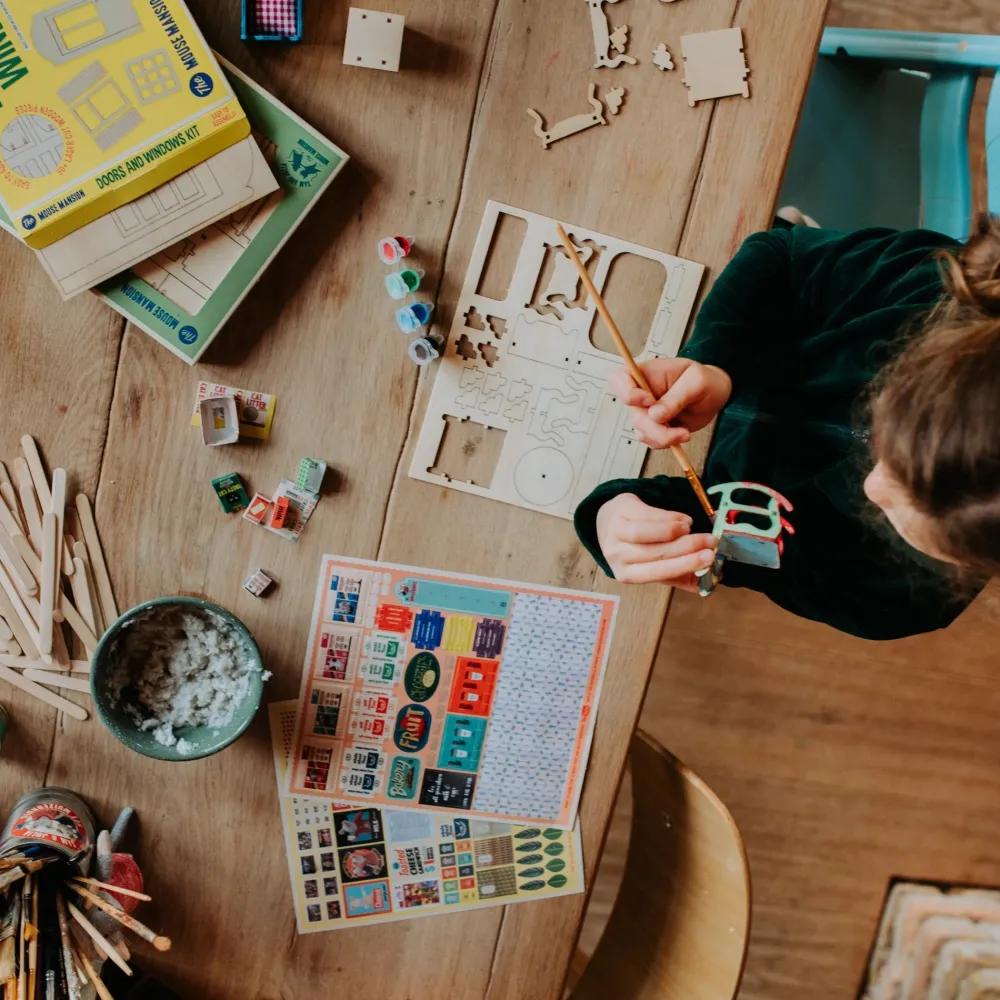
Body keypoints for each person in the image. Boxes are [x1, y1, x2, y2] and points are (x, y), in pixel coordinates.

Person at [573, 215, 1000, 640]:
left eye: (908, 520)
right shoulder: (945, 297)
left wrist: (613, 521)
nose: (872, 491)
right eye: (886, 429)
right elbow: (779, 255)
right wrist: (715, 363)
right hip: (744, 305)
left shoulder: (888, 596)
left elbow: (716, 535)